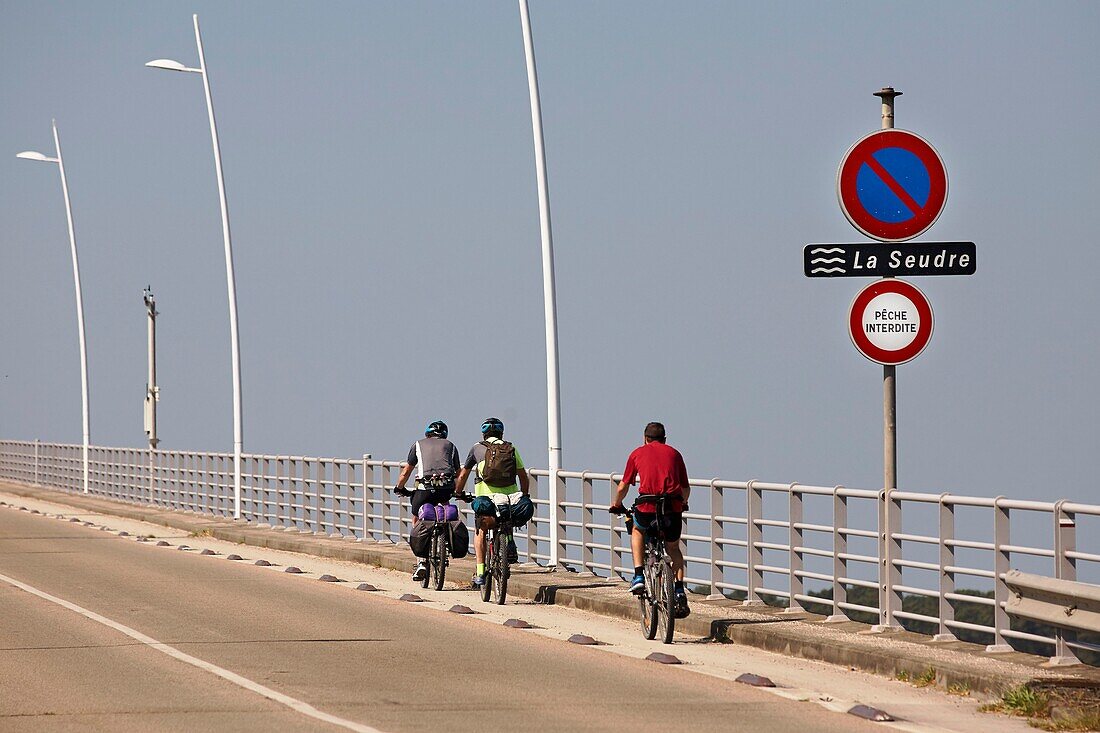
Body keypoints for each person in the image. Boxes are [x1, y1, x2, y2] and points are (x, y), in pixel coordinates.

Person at [610, 422, 691, 619]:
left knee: (637, 531)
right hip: (671, 509)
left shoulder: (637, 453)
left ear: (645, 438)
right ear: (665, 439)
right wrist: (684, 503)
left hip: (647, 508)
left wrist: (616, 504)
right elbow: (685, 488)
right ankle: (679, 589)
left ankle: (638, 575)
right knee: (673, 548)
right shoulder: (675, 454)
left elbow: (623, 487)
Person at [454, 417, 532, 588]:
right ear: (501, 433)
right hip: (509, 498)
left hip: (486, 498)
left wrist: (458, 492)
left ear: (484, 434)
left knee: (481, 531)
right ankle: (509, 542)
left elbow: (463, 474)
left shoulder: (477, 448)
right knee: (507, 516)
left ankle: (481, 572)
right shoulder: (511, 448)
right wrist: (525, 495)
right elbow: (523, 476)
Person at [394, 420, 461, 582]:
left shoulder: (417, 445)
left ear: (427, 433)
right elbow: (459, 472)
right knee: (446, 512)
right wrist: (457, 490)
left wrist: (399, 487)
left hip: (424, 490)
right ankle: (445, 542)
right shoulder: (450, 446)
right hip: (445, 489)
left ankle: (421, 561)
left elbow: (406, 472)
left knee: (417, 517)